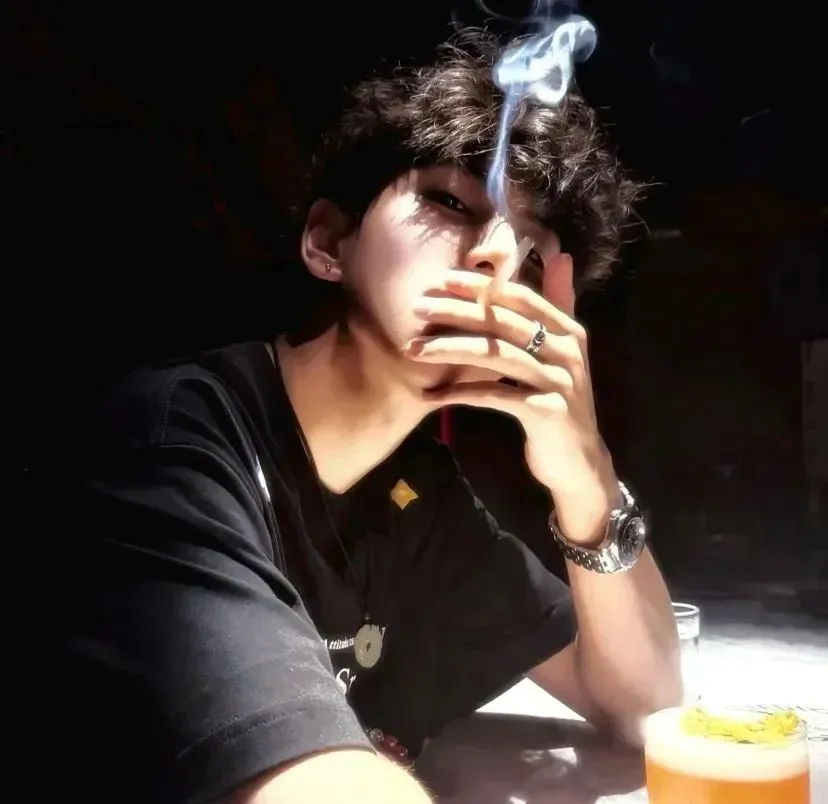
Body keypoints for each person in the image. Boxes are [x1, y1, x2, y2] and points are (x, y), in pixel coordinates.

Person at [46, 28, 681, 804]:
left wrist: (586, 478)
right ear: (328, 242)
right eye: (451, 201)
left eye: (536, 253)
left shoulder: (419, 496)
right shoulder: (173, 442)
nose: (499, 258)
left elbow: (643, 704)